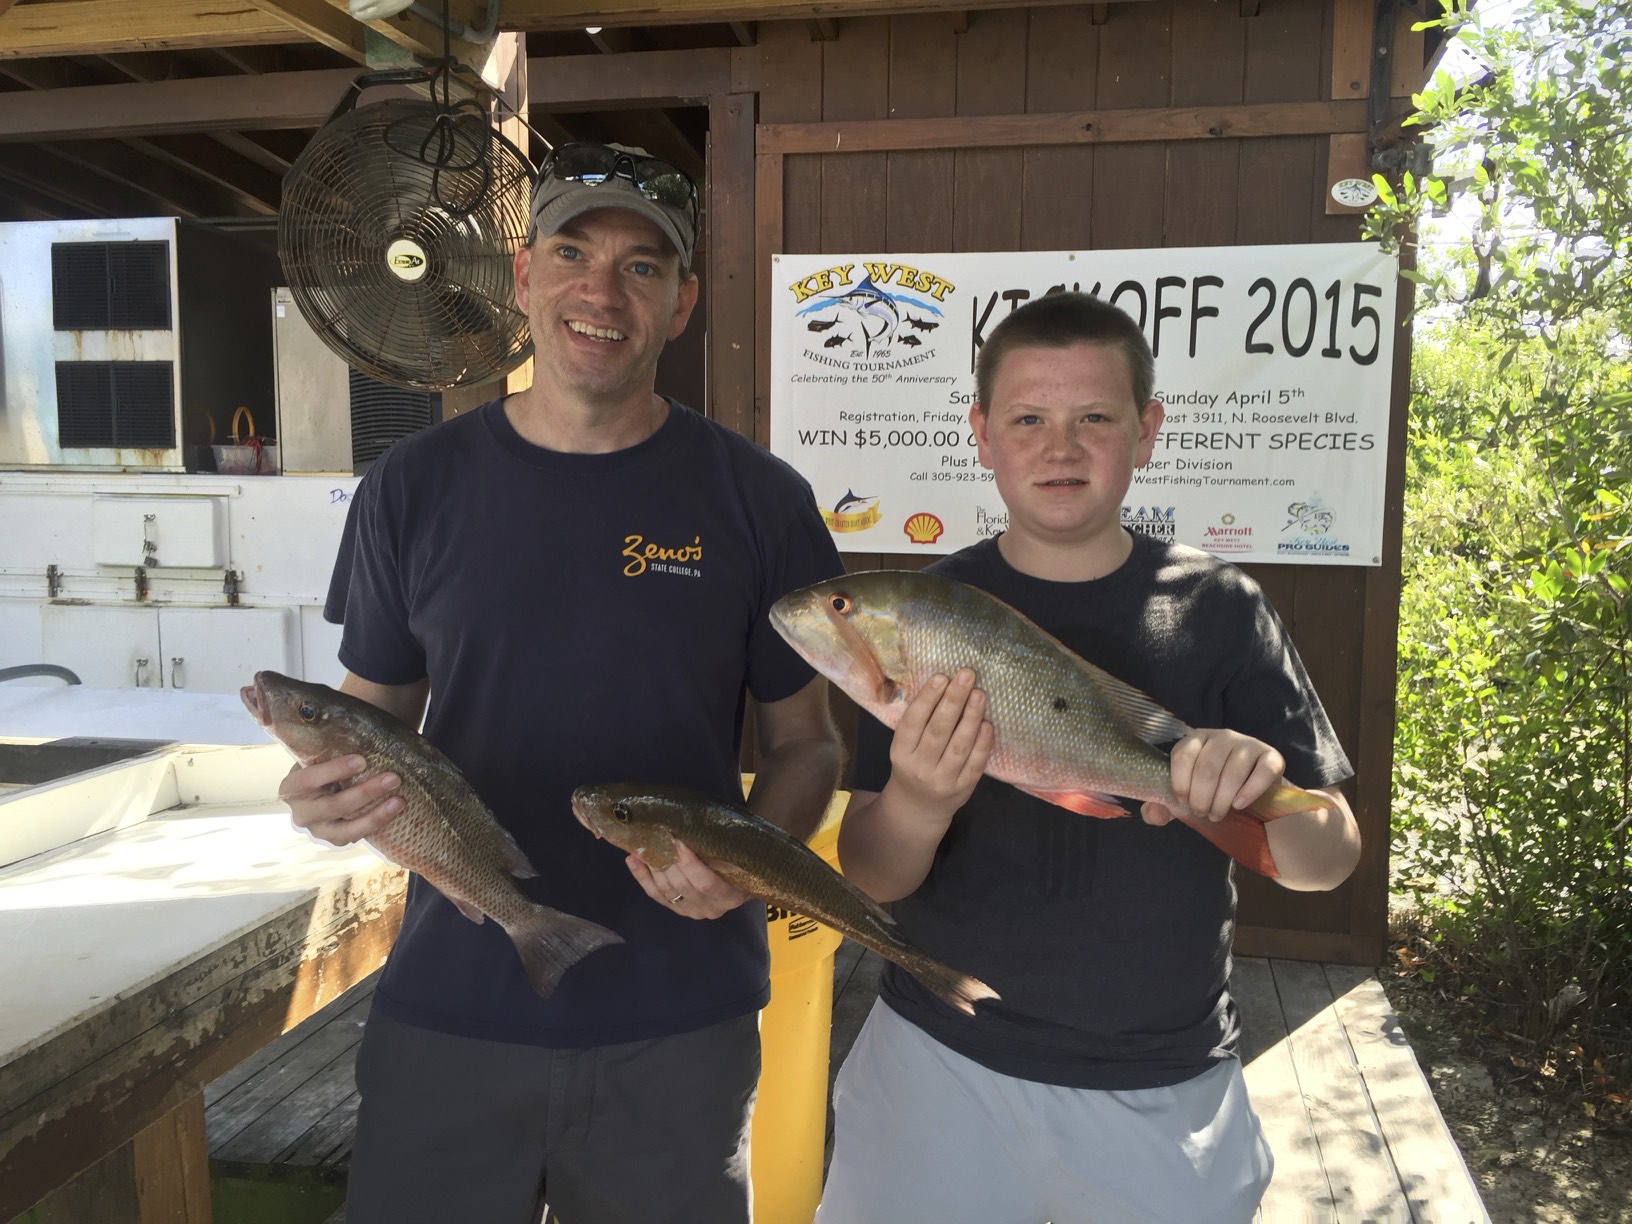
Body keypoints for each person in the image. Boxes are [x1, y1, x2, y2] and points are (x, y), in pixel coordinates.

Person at [278, 142, 844, 1224]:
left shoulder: (760, 500)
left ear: (680, 304)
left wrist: (749, 870)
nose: (602, 290)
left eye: (643, 267)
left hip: (678, 1013)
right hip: (453, 1001)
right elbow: (371, 726)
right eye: (573, 252)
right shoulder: (413, 488)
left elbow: (810, 746)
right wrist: (329, 798)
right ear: (524, 277)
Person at [816, 291, 1362, 1224]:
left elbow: (1329, 861)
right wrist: (915, 800)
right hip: (936, 1060)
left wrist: (1265, 787)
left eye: (1094, 419)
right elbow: (870, 871)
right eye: (1027, 418)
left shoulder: (1222, 607)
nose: (1058, 446)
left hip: (1164, 1085)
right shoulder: (920, 613)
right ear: (981, 433)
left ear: (1146, 431)